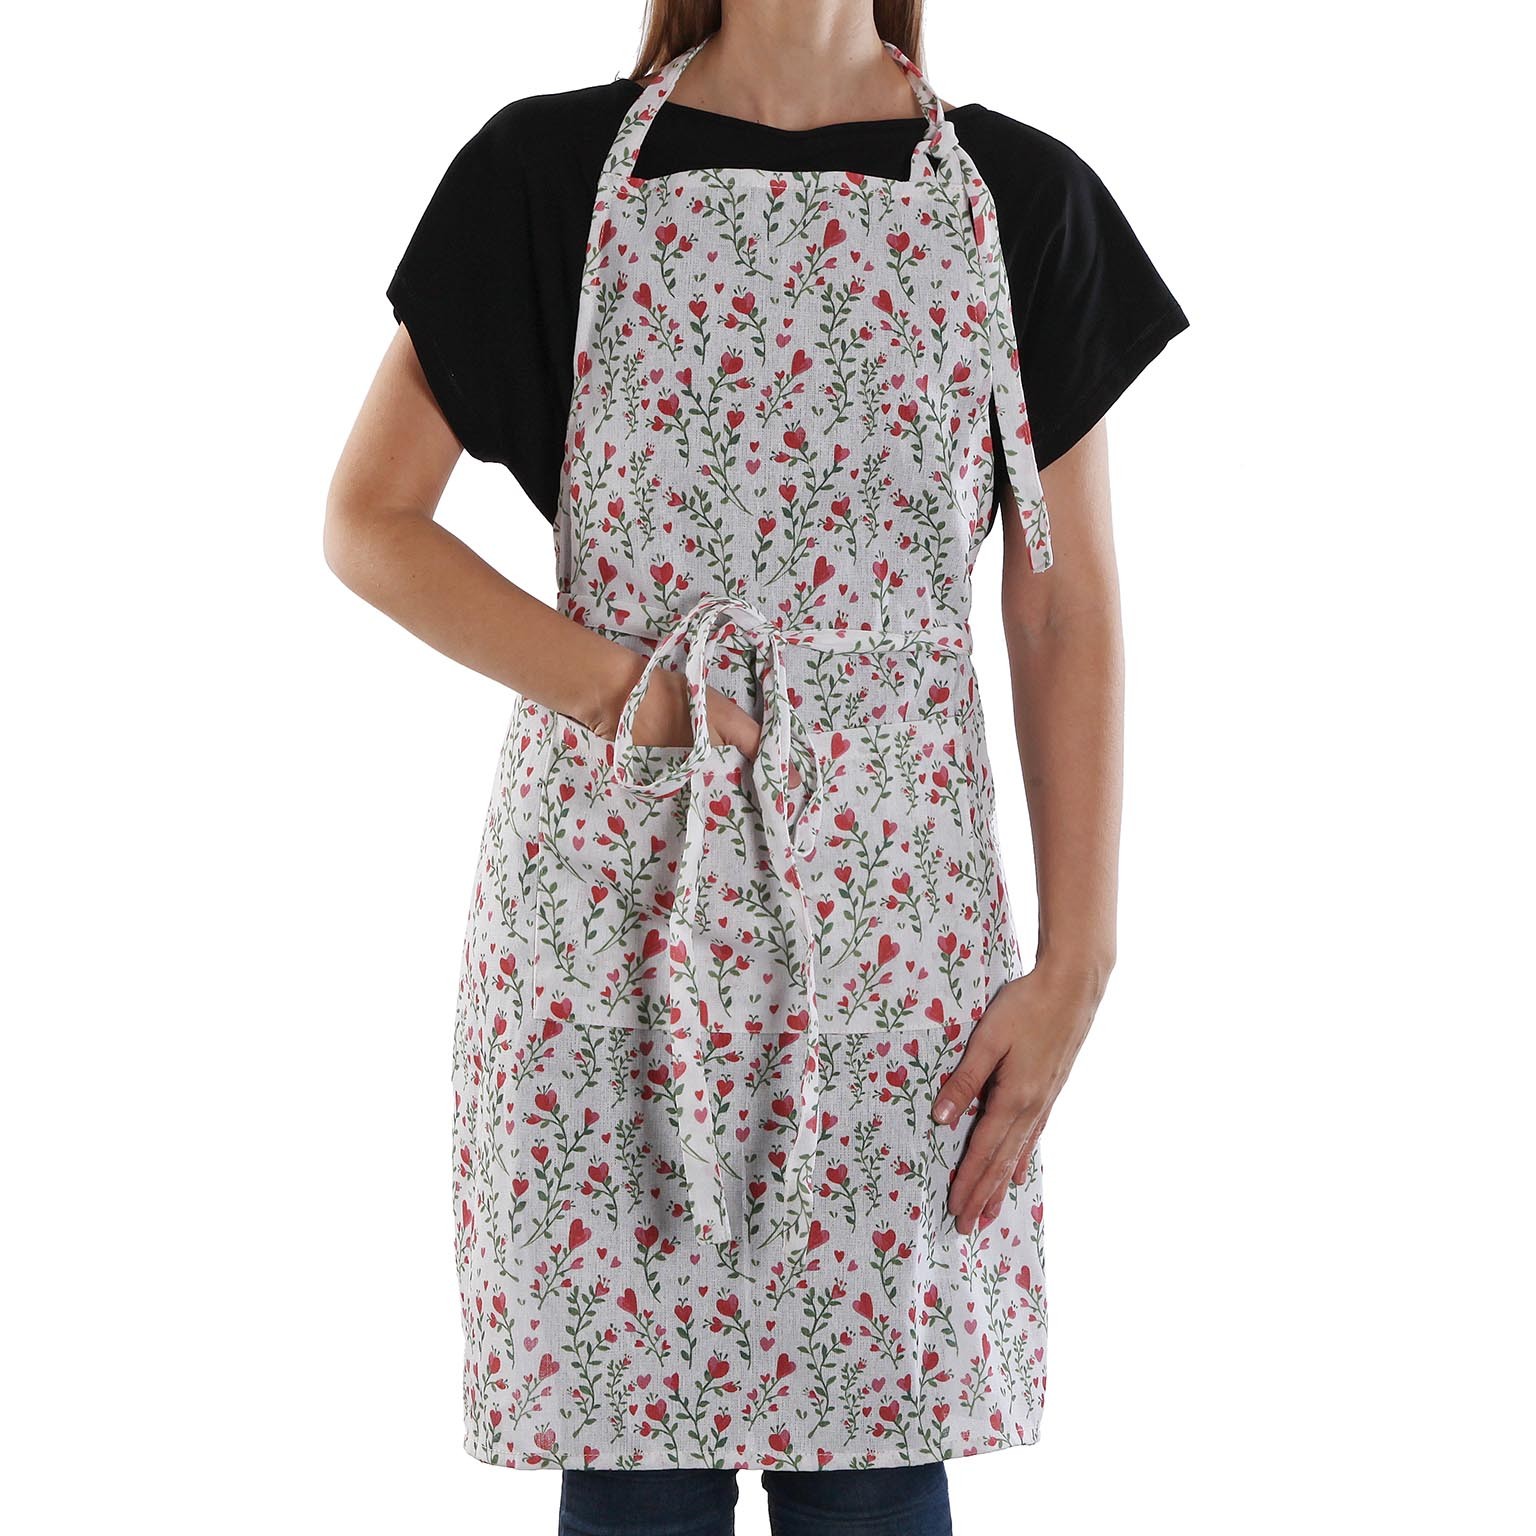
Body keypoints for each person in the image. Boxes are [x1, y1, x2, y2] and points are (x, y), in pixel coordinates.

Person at [325, 1, 1186, 1531]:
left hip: (894, 943)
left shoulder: (1020, 201)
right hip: (614, 933)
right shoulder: (545, 174)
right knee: (633, 1483)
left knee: (877, 1472)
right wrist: (631, 697)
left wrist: (1079, 964)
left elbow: (1063, 605)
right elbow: (370, 523)